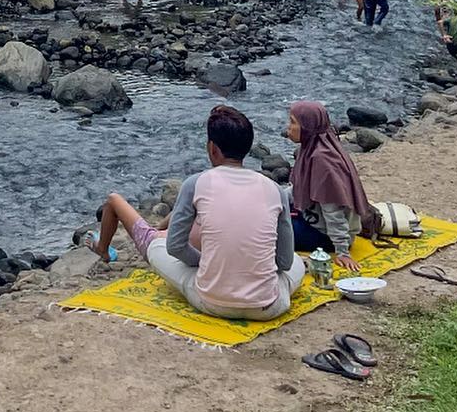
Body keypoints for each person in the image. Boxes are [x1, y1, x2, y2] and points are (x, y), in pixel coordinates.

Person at [89, 106, 304, 321]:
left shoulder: (196, 183)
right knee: (295, 261)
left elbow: (175, 246)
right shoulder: (275, 189)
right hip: (269, 307)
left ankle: (107, 250)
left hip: (210, 301)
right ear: (247, 148)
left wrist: (201, 262)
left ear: (212, 148)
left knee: (158, 246)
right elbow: (284, 262)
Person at [285, 101, 376, 272]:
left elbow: (332, 209)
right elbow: (296, 190)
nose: (288, 127)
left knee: (269, 229)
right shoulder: (313, 146)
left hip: (325, 234)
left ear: (307, 126)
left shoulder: (322, 160)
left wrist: (342, 251)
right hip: (314, 216)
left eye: (292, 122)